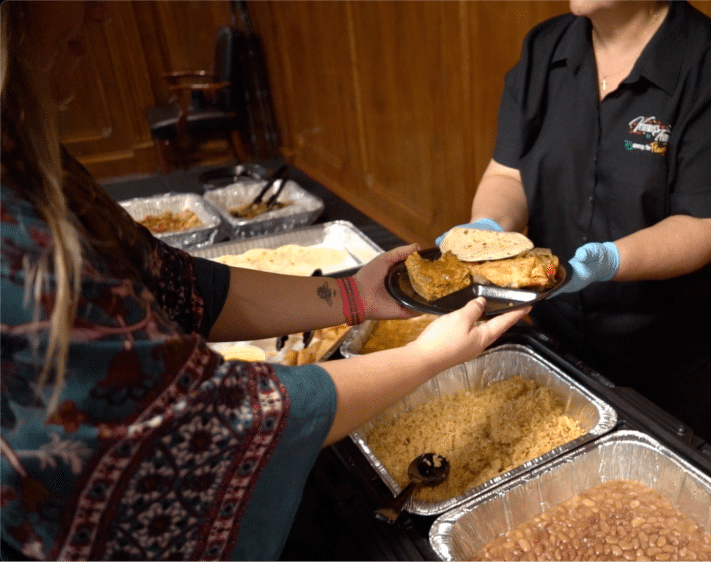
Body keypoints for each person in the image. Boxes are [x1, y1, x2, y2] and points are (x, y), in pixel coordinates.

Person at [0, 2, 528, 560]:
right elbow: (213, 426)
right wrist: (425, 359)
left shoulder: (22, 153)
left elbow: (174, 283)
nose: (104, 12)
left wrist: (353, 294)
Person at [440, 0, 711, 438]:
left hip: (669, 349)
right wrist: (489, 232)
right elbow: (508, 173)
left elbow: (708, 224)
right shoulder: (545, 46)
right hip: (555, 323)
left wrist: (608, 261)